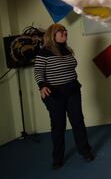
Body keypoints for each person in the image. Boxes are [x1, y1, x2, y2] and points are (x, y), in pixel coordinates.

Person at [34, 24, 94, 169]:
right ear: (52, 35)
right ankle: (57, 158)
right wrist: (42, 86)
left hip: (72, 90)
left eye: (65, 30)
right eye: (60, 31)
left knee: (78, 121)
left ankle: (85, 151)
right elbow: (38, 72)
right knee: (58, 126)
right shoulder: (44, 52)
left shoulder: (67, 50)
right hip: (54, 95)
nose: (64, 33)